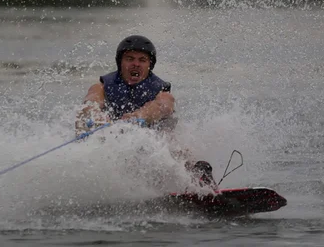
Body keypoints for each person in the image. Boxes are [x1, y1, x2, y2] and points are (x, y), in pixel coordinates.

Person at [75, 35, 217, 190]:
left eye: (142, 60)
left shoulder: (161, 91)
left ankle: (198, 179)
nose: (136, 64)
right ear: (120, 63)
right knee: (85, 129)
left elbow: (163, 105)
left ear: (150, 65)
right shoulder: (101, 87)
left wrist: (139, 116)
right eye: (130, 59)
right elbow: (90, 101)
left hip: (155, 136)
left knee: (171, 144)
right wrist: (95, 114)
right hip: (115, 139)